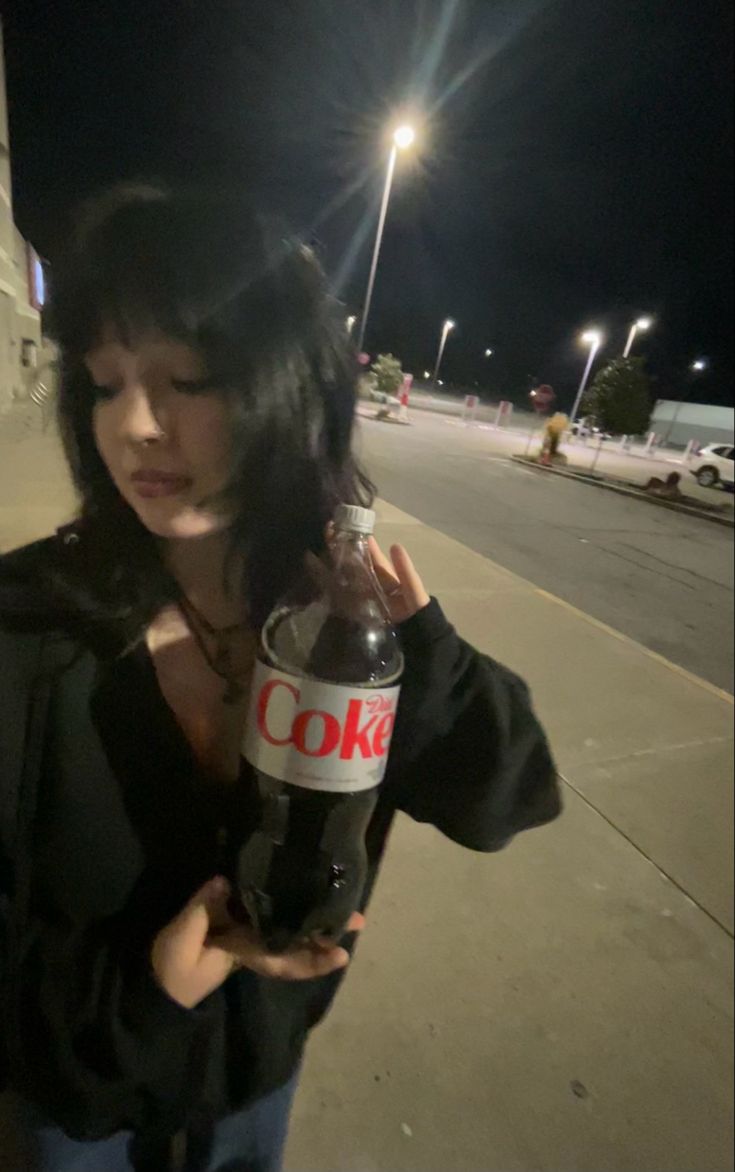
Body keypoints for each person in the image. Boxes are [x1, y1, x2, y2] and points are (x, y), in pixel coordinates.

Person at [0, 186, 560, 1172]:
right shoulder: (28, 621)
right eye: (103, 381)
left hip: (256, 1089)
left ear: (282, 391)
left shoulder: (349, 638)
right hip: (78, 1107)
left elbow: (502, 798)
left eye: (188, 378)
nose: (132, 424)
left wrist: (422, 656)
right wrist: (146, 993)